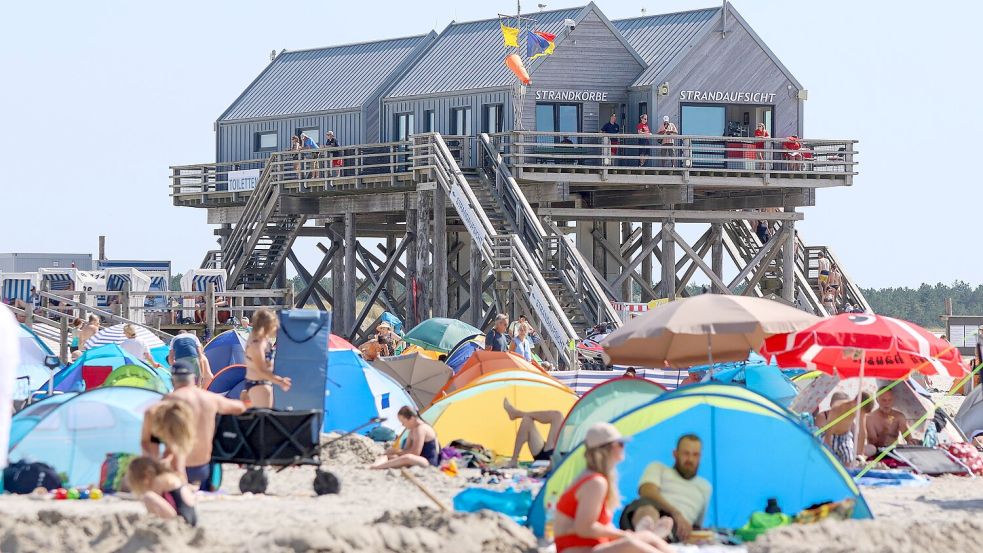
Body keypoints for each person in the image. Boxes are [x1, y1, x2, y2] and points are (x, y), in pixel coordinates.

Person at [552, 423, 673, 553]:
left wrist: (624, 535)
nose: (624, 448)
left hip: (590, 546)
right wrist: (623, 535)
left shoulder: (592, 477)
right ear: (607, 449)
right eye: (620, 444)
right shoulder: (595, 483)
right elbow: (584, 528)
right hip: (576, 549)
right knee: (630, 543)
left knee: (647, 537)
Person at [143, 361, 246, 487]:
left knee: (152, 437)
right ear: (194, 379)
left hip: (176, 468)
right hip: (204, 469)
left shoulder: (168, 401)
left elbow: (151, 439)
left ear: (173, 380)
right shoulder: (210, 398)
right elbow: (240, 408)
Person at [621, 434, 712, 543]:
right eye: (686, 453)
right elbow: (646, 491)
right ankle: (650, 535)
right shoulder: (658, 468)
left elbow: (697, 525)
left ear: (700, 457)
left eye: (695, 454)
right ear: (675, 454)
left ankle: (653, 538)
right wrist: (675, 512)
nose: (690, 459)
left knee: (668, 525)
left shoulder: (705, 487)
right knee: (648, 510)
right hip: (649, 511)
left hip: (676, 528)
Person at [126, 456, 198, 526]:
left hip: (181, 520)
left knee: (148, 496)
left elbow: (153, 505)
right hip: (191, 518)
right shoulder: (168, 476)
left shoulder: (159, 480)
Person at [242, 308, 290, 408]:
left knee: (263, 420)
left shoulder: (262, 339)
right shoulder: (257, 344)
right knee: (264, 421)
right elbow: (261, 370)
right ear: (267, 326)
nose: (276, 327)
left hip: (261, 384)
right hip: (259, 385)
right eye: (274, 325)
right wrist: (280, 381)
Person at [371, 406, 440, 469]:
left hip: (428, 461)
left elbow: (415, 452)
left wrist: (397, 451)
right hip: (416, 459)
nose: (403, 425)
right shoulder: (412, 430)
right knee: (390, 455)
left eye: (403, 422)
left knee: (407, 457)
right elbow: (405, 450)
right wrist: (393, 452)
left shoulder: (421, 429)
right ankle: (374, 466)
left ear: (412, 418)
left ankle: (377, 467)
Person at [141, 399, 196, 478]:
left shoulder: (184, 417)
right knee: (152, 468)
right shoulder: (151, 414)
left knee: (178, 468)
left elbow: (179, 465)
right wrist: (155, 461)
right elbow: (145, 442)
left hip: (175, 423)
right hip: (157, 422)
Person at [502, 397, 563, 467]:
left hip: (553, 456)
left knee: (557, 415)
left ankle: (517, 414)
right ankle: (514, 460)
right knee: (527, 420)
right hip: (546, 452)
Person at [821, 392, 873, 467]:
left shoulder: (861, 410)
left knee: (848, 460)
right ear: (855, 402)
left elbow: (862, 432)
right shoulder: (838, 407)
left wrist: (860, 454)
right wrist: (827, 445)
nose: (860, 414)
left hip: (845, 436)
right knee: (828, 461)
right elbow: (829, 428)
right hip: (831, 435)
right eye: (860, 411)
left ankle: (847, 472)